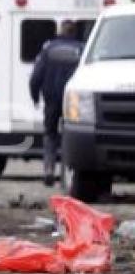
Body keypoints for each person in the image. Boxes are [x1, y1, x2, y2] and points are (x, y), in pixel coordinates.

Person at [30, 20, 83, 187]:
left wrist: (35, 97)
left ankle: (49, 170)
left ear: (61, 31)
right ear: (74, 32)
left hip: (51, 99)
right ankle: (68, 174)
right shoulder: (81, 49)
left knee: (50, 135)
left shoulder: (48, 49)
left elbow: (36, 76)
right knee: (71, 135)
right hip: (74, 100)